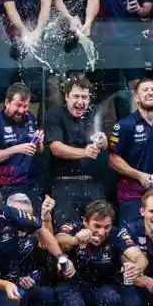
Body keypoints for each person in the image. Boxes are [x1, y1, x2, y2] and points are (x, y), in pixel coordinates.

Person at [108, 78, 153, 225]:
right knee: (132, 236)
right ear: (136, 97)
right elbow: (112, 159)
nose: (150, 93)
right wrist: (139, 176)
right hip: (132, 195)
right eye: (145, 90)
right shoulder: (125, 125)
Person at [6, 192, 59, 306]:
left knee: (48, 296)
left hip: (34, 284)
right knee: (17, 297)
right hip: (6, 285)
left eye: (27, 216)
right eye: (18, 215)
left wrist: (33, 277)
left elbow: (48, 264)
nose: (22, 220)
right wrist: (17, 278)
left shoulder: (37, 233)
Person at [45, 75, 108, 226]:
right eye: (76, 96)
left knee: (99, 229)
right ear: (67, 97)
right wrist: (84, 153)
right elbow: (56, 148)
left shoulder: (94, 114)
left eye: (84, 97)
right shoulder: (55, 115)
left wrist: (103, 141)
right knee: (66, 230)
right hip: (64, 184)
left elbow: (106, 143)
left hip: (93, 185)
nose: (80, 102)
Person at [0, 83, 45, 209]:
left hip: (30, 184)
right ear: (7, 102)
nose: (22, 110)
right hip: (5, 186)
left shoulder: (30, 119)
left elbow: (39, 150)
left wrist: (39, 143)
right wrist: (17, 149)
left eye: (25, 106)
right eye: (18, 105)